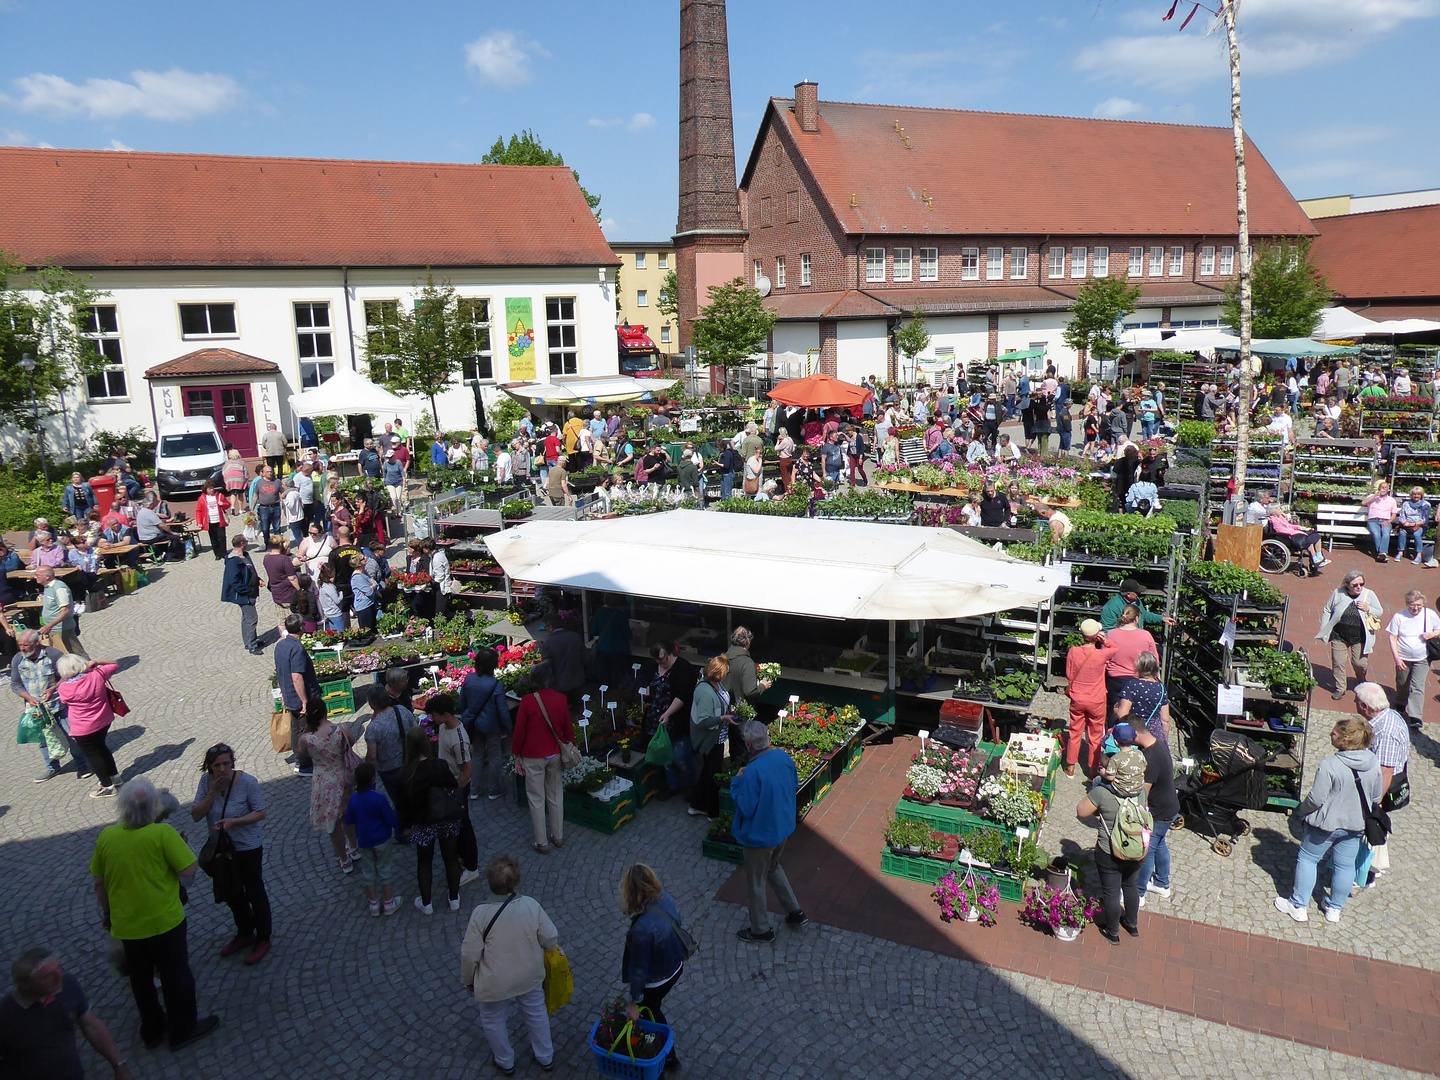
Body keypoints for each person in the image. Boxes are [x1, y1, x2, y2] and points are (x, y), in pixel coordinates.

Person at [90, 778, 220, 1050]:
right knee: (176, 975)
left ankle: (152, 1029)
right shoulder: (162, 834)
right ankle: (182, 1029)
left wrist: (107, 914)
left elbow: (99, 884)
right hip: (165, 923)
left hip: (128, 926)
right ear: (153, 808)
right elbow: (188, 870)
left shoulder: (107, 837)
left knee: (140, 980)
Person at [1273, 717, 1381, 925]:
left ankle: (1298, 905)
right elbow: (1376, 797)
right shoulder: (1373, 762)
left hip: (1325, 825)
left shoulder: (1330, 765)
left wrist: (1300, 811)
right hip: (1355, 825)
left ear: (1345, 739)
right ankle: (1334, 909)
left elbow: (1315, 799)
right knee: (1345, 865)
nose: (1330, 734)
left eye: (1334, 733)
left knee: (1308, 859)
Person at [460, 855, 558, 1075]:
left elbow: (469, 954)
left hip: (495, 981)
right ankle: (545, 1056)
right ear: (516, 882)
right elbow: (550, 937)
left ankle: (505, 1061)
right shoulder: (530, 906)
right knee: (536, 1012)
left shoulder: (480, 914)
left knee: (493, 1020)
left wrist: (468, 980)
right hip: (529, 973)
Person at [189, 742, 270, 964]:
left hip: (247, 847)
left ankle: (263, 937)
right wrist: (213, 793)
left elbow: (260, 812)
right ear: (210, 767)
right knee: (232, 892)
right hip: (222, 850)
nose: (222, 769)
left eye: (226, 764)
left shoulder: (247, 783)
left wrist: (234, 822)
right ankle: (245, 931)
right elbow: (196, 815)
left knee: (254, 891)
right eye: (217, 765)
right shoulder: (206, 783)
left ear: (233, 763)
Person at [0, 946, 133, 1080]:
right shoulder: (5, 1015)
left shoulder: (67, 985)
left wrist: (119, 1065)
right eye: (48, 976)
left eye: (58, 968)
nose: (59, 976)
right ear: (24, 985)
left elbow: (91, 1025)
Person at [730, 720, 807, 943]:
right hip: (782, 829)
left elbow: (745, 807)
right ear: (768, 738)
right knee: (773, 867)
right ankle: (795, 911)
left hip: (760, 837)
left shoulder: (752, 772)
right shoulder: (784, 758)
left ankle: (761, 930)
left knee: (756, 881)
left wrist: (737, 782)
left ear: (748, 744)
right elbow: (794, 785)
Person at [1076, 745, 1148, 945]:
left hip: (1110, 850)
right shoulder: (1140, 791)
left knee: (1111, 891)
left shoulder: (1102, 793)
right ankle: (1132, 925)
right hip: (1136, 848)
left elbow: (1081, 811)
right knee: (1130, 885)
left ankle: (1113, 930)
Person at [617, 864, 686, 1071]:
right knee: (653, 1010)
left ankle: (668, 1059)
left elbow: (639, 969)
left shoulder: (641, 931)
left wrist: (633, 1003)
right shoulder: (666, 899)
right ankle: (667, 1059)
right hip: (675, 965)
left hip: (658, 979)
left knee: (652, 1013)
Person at [396, 725, 463, 914]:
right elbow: (452, 784)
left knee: (424, 862)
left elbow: (402, 805)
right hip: (445, 817)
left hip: (422, 822)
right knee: (450, 858)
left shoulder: (404, 774)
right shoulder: (439, 765)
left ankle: (426, 903)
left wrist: (406, 826)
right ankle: (454, 898)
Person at [1110, 722, 1178, 908]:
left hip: (1159, 812)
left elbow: (1143, 793)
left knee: (1146, 851)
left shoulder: (1149, 758)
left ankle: (1138, 893)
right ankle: (1162, 884)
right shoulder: (1159, 743)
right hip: (1171, 807)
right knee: (1159, 845)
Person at [1352, 682, 1411, 888]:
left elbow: (1385, 771)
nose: (1354, 704)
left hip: (1382, 790)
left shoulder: (1385, 731)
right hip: (1384, 783)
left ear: (1366, 707)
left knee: (1372, 828)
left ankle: (1366, 872)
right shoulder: (1389, 716)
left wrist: (1374, 804)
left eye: (1357, 702)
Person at [511, 663, 572, 855]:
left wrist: (517, 755)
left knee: (536, 799)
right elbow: (568, 729)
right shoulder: (561, 699)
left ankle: (541, 842)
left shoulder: (527, 702)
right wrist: (569, 745)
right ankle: (558, 836)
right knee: (555, 795)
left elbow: (519, 732)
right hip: (554, 753)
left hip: (532, 756)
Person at [299, 696, 359, 875]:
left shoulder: (307, 739)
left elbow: (302, 755)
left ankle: (344, 860)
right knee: (348, 814)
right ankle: (354, 848)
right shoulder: (342, 729)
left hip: (324, 782)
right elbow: (351, 743)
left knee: (333, 822)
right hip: (344, 777)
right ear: (326, 711)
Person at [427, 693, 482, 889]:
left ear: (445, 714)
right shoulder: (443, 727)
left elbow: (467, 771)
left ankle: (472, 867)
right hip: (446, 784)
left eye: (434, 715)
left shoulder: (459, 740)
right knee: (456, 825)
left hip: (456, 787)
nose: (432, 719)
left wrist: (455, 793)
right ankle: (461, 858)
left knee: (464, 825)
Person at [55, 654, 121, 798]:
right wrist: (96, 662)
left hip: (82, 728)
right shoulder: (97, 675)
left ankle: (107, 786)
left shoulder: (64, 689)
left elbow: (64, 701)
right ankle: (115, 778)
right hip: (103, 721)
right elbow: (113, 663)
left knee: (93, 756)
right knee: (102, 749)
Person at [344, 761, 402, 917]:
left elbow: (348, 820)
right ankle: (389, 903)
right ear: (372, 779)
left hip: (364, 841)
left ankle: (373, 904)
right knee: (385, 869)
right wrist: (400, 829)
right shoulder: (379, 798)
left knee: (368, 872)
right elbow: (390, 818)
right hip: (382, 839)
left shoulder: (353, 800)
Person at [1316, 571, 1383, 700]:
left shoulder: (1369, 594)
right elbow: (1327, 609)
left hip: (1360, 636)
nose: (1359, 587)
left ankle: (1361, 680)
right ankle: (1340, 688)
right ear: (1347, 585)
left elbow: (1379, 612)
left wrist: (1368, 608)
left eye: (1361, 584)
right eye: (1355, 585)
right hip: (1339, 634)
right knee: (1338, 661)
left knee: (1359, 663)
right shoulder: (1338, 593)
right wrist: (1324, 627)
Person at [1064, 619, 1116, 778]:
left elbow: (1069, 675)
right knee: (1095, 736)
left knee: (1074, 732)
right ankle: (1093, 771)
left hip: (1077, 698)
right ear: (1097, 636)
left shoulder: (1073, 651)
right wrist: (1105, 641)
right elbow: (1115, 648)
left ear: (1082, 634)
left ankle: (1071, 767)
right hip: (1096, 700)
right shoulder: (1102, 654)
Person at [458, 649, 513, 802]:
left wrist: (466, 718)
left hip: (474, 724)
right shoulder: (496, 684)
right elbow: (502, 709)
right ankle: (494, 789)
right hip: (491, 725)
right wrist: (508, 728)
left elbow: (462, 702)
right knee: (495, 755)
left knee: (476, 755)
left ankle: (474, 789)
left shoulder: (469, 679)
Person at [649, 640, 698, 800]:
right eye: (657, 660)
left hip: (678, 721)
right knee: (666, 756)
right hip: (658, 721)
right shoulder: (655, 667)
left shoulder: (684, 668)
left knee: (681, 755)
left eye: (662, 659)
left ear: (671, 653)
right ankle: (672, 785)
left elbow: (683, 695)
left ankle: (690, 785)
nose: (660, 662)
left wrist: (668, 714)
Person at [1385, 589, 1440, 728]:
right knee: (1402, 683)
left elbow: (1439, 629)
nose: (1415, 608)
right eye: (1412, 605)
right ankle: (1401, 702)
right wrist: (1397, 659)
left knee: (1417, 686)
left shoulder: (1430, 614)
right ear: (1406, 604)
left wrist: (1432, 634)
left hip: (1422, 658)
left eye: (1419, 605)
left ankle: (1415, 716)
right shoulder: (1399, 617)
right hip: (1403, 657)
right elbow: (1392, 638)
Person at [687, 654, 733, 821]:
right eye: (726, 671)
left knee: (709, 771)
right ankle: (712, 812)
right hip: (711, 740)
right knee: (713, 774)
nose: (728, 674)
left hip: (717, 737)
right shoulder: (705, 691)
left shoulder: (715, 685)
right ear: (718, 672)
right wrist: (723, 718)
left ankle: (696, 804)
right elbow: (703, 721)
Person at [274, 616, 319, 775]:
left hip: (289, 695)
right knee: (304, 731)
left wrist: (284, 694)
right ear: (301, 628)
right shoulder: (297, 648)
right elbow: (297, 677)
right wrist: (305, 701)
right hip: (300, 696)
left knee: (296, 729)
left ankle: (300, 760)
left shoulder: (280, 645)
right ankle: (304, 765)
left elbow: (280, 672)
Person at [221, 535, 263, 655]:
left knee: (246, 618)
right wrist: (247, 590)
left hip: (249, 590)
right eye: (246, 541)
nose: (247, 543)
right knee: (252, 618)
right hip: (244, 594)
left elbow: (250, 571)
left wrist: (257, 579)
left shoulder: (245, 555)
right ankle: (252, 645)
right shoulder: (233, 561)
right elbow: (234, 581)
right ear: (241, 543)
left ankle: (249, 641)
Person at [33, 566, 86, 658]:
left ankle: (90, 668)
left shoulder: (59, 588)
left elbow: (65, 611)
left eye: (37, 575)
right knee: (61, 654)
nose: (35, 577)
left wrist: (49, 626)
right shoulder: (48, 588)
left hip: (62, 629)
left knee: (75, 651)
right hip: (53, 629)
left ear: (47, 577)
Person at [539, 612, 586, 708]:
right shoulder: (575, 637)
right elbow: (586, 659)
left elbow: (546, 668)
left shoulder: (548, 644)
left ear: (550, 627)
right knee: (580, 713)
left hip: (559, 686)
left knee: (563, 714)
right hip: (578, 682)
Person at [590, 595, 633, 688]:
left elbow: (594, 631)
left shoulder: (599, 613)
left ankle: (605, 694)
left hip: (603, 649)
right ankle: (616, 695)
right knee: (617, 676)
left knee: (604, 676)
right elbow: (628, 635)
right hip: (620, 650)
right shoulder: (622, 615)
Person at [1100, 578, 1175, 631]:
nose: (1139, 594)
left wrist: (1162, 618)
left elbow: (1144, 615)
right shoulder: (1111, 607)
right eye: (1137, 592)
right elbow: (1108, 630)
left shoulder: (1136, 601)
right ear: (1128, 594)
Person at [1394, 486, 1436, 566]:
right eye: (1414, 494)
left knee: (1417, 534)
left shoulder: (1426, 505)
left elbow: (1425, 520)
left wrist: (1413, 524)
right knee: (1402, 533)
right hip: (1406, 525)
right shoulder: (1406, 504)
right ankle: (1400, 552)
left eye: (1418, 494)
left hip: (1420, 526)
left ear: (1421, 495)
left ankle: (1419, 555)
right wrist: (1405, 523)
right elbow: (1402, 517)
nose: (1416, 496)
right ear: (1411, 495)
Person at [1362, 481, 1399, 562]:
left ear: (1388, 489)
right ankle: (1383, 553)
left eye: (1385, 487)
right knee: (1376, 534)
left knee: (1386, 534)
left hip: (1385, 520)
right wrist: (1375, 496)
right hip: (1373, 521)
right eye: (1382, 487)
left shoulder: (1391, 500)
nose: (1383, 489)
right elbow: (1363, 503)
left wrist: (1389, 522)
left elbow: (1394, 514)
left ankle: (1381, 554)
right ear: (1379, 489)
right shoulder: (1372, 497)